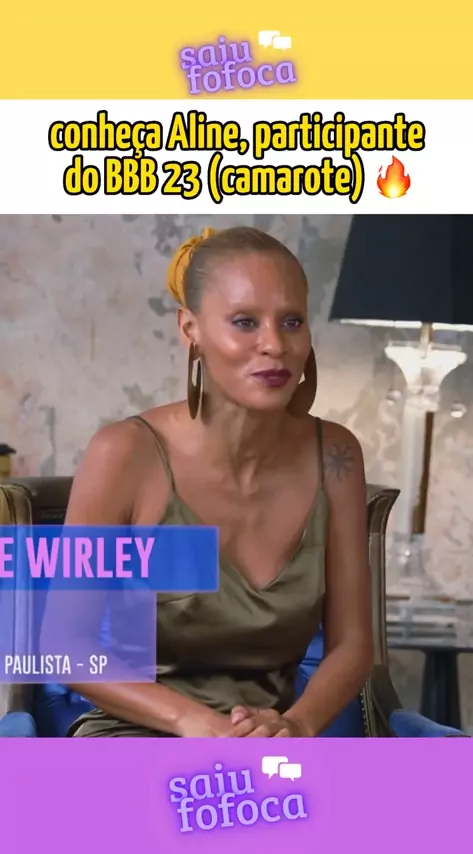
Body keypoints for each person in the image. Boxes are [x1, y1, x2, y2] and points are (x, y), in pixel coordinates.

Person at [65, 225, 373, 738]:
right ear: (191, 329)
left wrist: (295, 726)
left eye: (292, 321)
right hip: (134, 739)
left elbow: (353, 645)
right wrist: (196, 723)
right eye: (245, 322)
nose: (274, 344)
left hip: (271, 745)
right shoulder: (123, 454)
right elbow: (65, 646)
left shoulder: (336, 455)